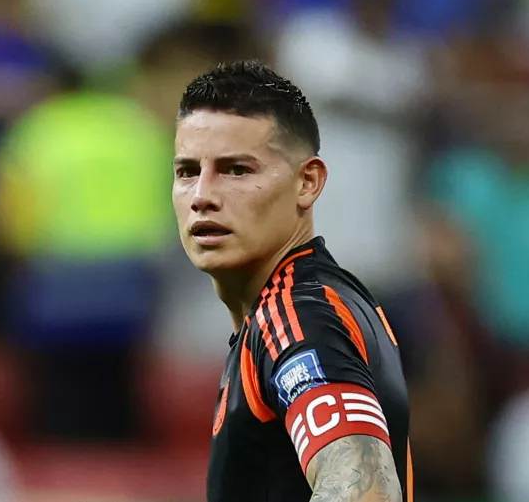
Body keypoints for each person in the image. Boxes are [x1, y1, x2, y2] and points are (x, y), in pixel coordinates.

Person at [172, 60, 412, 502]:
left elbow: (366, 494)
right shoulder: (302, 307)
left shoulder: (296, 315)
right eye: (187, 171)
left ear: (307, 182)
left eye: (236, 170)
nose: (202, 196)